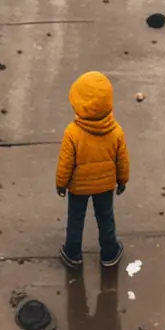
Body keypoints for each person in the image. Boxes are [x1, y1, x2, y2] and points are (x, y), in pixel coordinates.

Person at [55, 70, 128, 270]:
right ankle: (110, 252)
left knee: (76, 218)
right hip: (105, 185)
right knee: (105, 216)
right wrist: (122, 180)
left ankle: (72, 253)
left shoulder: (73, 133)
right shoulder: (116, 132)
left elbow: (65, 163)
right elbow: (122, 160)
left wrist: (61, 184)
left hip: (78, 187)